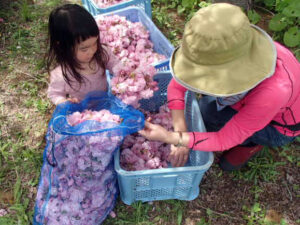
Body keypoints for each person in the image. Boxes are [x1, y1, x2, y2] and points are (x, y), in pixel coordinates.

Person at [139, 3, 300, 171]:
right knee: (205, 113)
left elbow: (224, 139)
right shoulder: (229, 48)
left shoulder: (273, 92)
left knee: (212, 121)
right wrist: (180, 131)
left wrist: (171, 137)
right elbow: (177, 86)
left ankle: (251, 143)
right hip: (248, 101)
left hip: (277, 126)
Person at [46, 4, 119, 105]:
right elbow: (54, 94)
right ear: (63, 46)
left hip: (106, 99)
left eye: (95, 43)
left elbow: (115, 64)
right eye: (84, 49)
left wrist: (123, 73)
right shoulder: (62, 74)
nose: (92, 51)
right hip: (84, 111)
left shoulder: (101, 53)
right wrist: (63, 101)